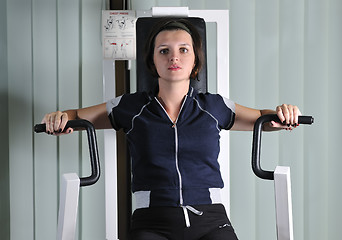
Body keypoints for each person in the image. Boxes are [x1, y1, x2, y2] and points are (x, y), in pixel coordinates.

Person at [42, 19, 301, 240]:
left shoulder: (215, 106)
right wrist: (58, 117)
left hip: (210, 219)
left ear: (195, 62)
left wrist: (285, 113)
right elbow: (76, 116)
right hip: (152, 221)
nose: (174, 57)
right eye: (164, 51)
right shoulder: (131, 107)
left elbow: (261, 119)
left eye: (184, 50)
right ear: (153, 62)